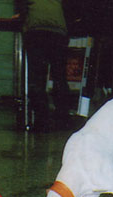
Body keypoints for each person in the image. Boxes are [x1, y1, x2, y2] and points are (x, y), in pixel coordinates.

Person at [15, 0, 71, 132]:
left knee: (37, 79)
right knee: (60, 77)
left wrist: (21, 17)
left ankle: (42, 121)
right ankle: (63, 120)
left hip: (36, 30)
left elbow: (22, 8)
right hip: (58, 31)